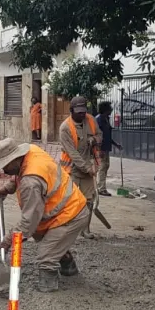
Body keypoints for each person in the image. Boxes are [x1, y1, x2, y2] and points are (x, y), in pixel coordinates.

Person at [0, 138, 91, 292]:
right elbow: (20, 174)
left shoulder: (30, 182)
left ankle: (48, 289)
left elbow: (29, 221)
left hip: (71, 214)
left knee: (45, 257)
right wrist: (7, 188)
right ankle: (68, 266)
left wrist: (9, 238)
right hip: (63, 209)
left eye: (5, 165)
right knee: (42, 235)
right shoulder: (31, 151)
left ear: (16, 159)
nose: (3, 170)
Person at [59, 96, 101, 238]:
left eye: (84, 111)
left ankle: (85, 229)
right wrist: (88, 168)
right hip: (72, 170)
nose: (82, 114)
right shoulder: (65, 128)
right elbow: (73, 154)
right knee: (71, 201)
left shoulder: (91, 120)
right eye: (79, 112)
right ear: (71, 111)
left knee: (89, 200)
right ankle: (68, 230)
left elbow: (100, 135)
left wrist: (94, 139)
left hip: (88, 168)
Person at [95, 101, 121, 196]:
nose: (111, 109)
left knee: (105, 166)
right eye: (110, 108)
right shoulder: (99, 120)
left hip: (106, 147)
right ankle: (101, 188)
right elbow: (98, 135)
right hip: (101, 148)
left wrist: (115, 144)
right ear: (105, 109)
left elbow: (107, 135)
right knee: (102, 167)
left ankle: (100, 186)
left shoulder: (105, 119)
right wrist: (99, 149)